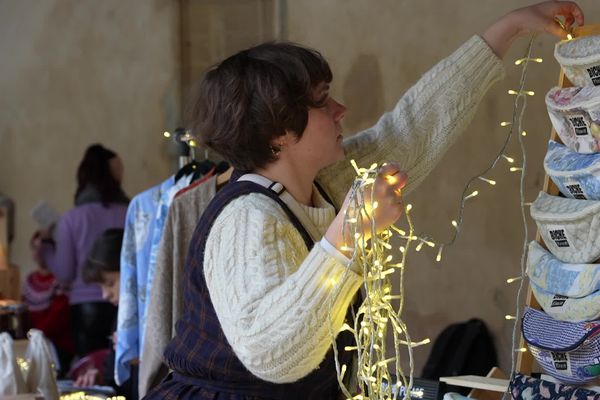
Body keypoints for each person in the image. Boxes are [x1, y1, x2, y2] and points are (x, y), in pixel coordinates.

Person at [146, 2, 585, 399]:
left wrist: (506, 29)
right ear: (278, 133)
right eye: (321, 102)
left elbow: (412, 129)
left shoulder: (326, 180)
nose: (340, 109)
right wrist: (349, 235)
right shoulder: (246, 218)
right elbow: (273, 354)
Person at [34, 144, 129, 359]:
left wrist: (47, 249)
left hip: (86, 310)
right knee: (123, 370)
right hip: (127, 301)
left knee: (90, 373)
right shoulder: (132, 212)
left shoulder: (72, 218)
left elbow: (65, 273)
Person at [72, 228, 137, 399]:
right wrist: (99, 379)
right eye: (101, 286)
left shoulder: (154, 318)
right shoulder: (121, 317)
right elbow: (114, 380)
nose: (104, 295)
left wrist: (142, 359)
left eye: (110, 283)